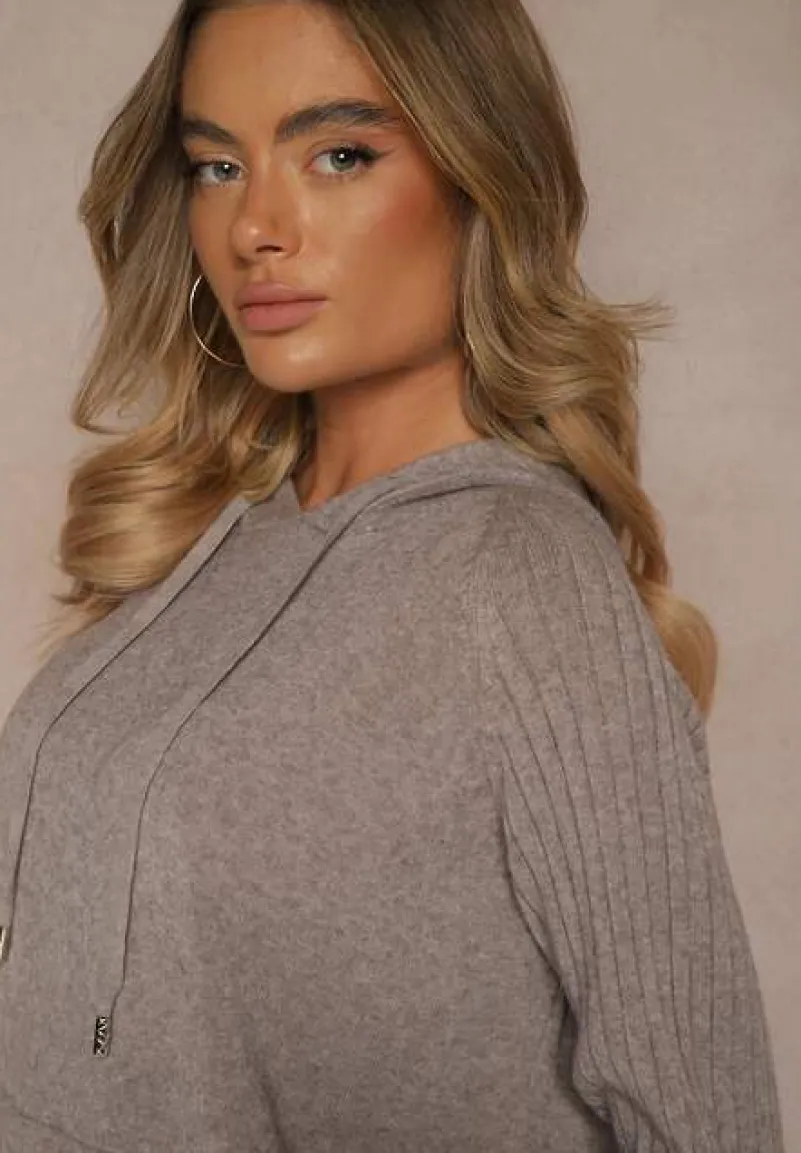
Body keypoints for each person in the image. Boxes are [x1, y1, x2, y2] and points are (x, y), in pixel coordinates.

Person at [0, 0, 785, 1149]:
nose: (256, 227)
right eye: (218, 165)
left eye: (339, 155)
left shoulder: (519, 576)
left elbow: (703, 1116)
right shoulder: (218, 534)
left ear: (481, 174)